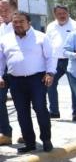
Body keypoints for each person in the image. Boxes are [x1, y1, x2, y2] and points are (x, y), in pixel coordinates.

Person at [0, 12, 55, 153]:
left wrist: (50, 73)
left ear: (29, 23)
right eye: (15, 22)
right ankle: (29, 142)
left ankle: (46, 140)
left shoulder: (41, 37)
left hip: (37, 79)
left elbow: (50, 57)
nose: (18, 24)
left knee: (41, 109)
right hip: (15, 81)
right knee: (22, 113)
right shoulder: (5, 40)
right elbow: (1, 61)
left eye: (21, 21)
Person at [44, 5, 76, 120]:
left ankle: (75, 113)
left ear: (68, 13)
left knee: (74, 87)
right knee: (50, 84)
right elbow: (47, 43)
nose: (62, 16)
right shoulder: (51, 26)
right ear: (54, 15)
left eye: (64, 13)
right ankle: (54, 111)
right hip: (55, 60)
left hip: (72, 60)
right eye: (59, 14)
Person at [0, 0, 15, 145]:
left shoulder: (20, 25)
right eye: (1, 9)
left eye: (6, 9)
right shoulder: (1, 27)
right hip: (3, 70)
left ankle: (27, 133)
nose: (3, 12)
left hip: (18, 71)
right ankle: (6, 133)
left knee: (22, 103)